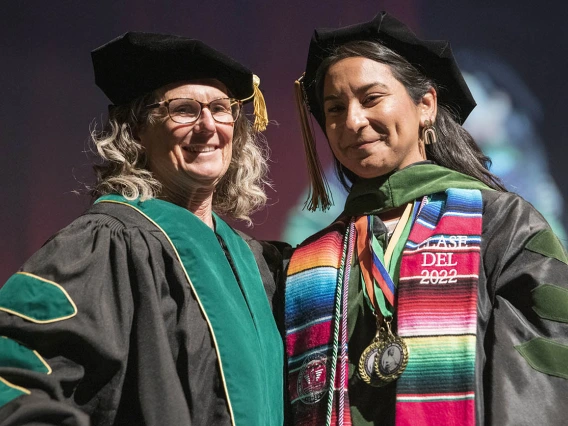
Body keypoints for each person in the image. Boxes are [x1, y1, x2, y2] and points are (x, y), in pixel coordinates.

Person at [285, 11, 568, 426]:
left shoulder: (503, 225)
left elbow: (547, 366)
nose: (352, 121)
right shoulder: (310, 259)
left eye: (371, 98)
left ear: (426, 105)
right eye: (334, 108)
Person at [0, 32, 285, 426]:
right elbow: (15, 375)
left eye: (221, 108)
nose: (208, 125)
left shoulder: (256, 264)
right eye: (183, 109)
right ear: (135, 131)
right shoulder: (107, 244)